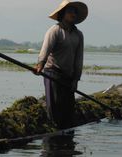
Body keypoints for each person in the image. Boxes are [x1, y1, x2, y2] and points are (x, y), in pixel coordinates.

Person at [35, 0, 88, 129]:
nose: (73, 14)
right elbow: (45, 50)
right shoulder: (55, 31)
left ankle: (66, 133)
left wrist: (76, 79)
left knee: (68, 108)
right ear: (63, 13)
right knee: (54, 107)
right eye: (70, 11)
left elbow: (78, 59)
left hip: (68, 76)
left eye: (75, 12)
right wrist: (40, 65)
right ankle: (53, 136)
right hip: (53, 73)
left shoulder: (78, 35)